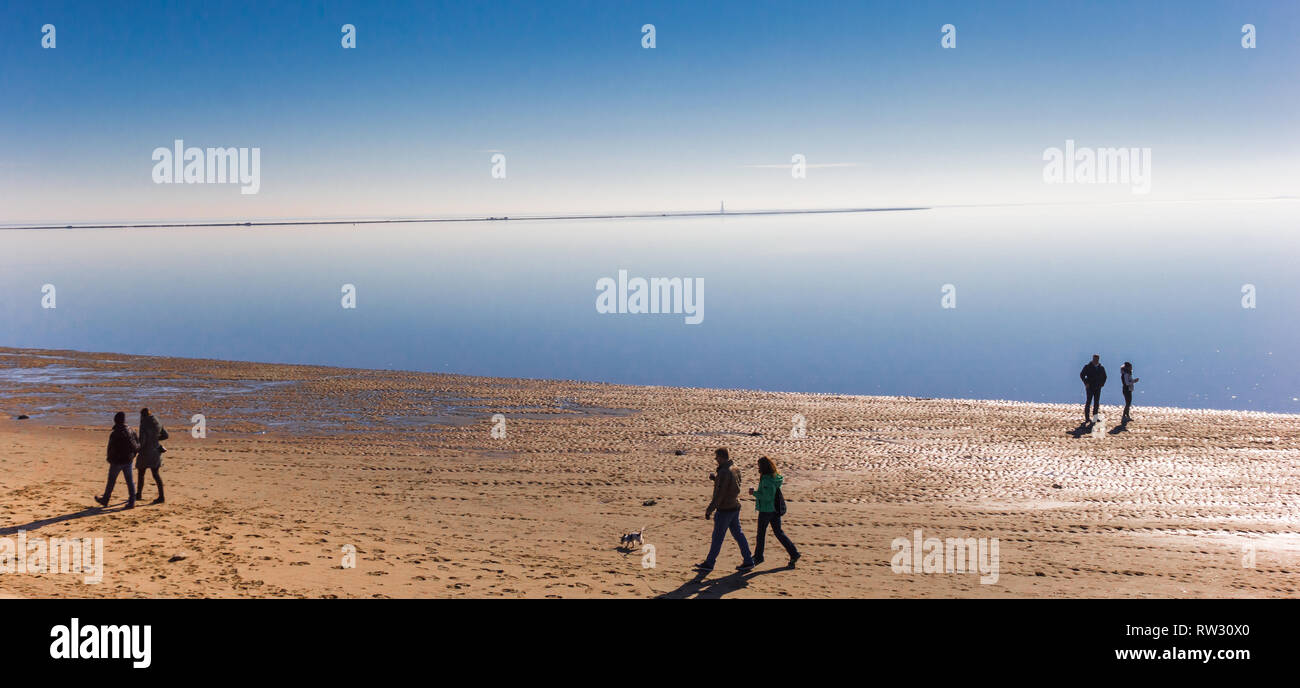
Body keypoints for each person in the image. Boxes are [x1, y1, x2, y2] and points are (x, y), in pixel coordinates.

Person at [694, 448, 755, 573]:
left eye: (717, 458)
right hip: (734, 506)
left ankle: (709, 563)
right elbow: (730, 486)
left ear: (721, 457)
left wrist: (710, 509)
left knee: (718, 537)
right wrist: (715, 480)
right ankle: (748, 560)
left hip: (725, 508)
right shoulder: (735, 467)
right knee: (738, 534)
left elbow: (720, 494)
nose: (716, 460)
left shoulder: (724, 471)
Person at [748, 456, 800, 567]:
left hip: (767, 510)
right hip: (775, 509)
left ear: (763, 467)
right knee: (778, 533)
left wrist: (754, 493)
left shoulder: (767, 479)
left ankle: (758, 556)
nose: (758, 468)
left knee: (761, 534)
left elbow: (767, 497)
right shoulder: (775, 477)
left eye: (759, 466)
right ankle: (794, 553)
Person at [95, 412, 138, 508]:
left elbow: (110, 448)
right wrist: (133, 455)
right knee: (129, 481)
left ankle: (105, 499)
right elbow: (136, 445)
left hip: (117, 461)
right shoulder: (131, 430)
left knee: (111, 481)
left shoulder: (114, 433)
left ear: (115, 421)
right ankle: (132, 502)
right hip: (128, 460)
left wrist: (110, 459)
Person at [135, 407, 167, 505]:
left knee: (141, 473)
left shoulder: (144, 424)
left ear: (142, 415)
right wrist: (155, 439)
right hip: (156, 450)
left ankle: (139, 494)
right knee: (156, 474)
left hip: (146, 452)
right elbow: (165, 435)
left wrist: (137, 449)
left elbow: (142, 441)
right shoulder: (157, 421)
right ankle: (161, 496)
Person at [1079, 354, 1107, 422]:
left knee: (1096, 402)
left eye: (1096, 359)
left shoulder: (1101, 368)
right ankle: (1087, 418)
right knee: (1088, 402)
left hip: (1098, 387)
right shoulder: (1088, 367)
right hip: (1090, 387)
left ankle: (1095, 418)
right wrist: (1086, 383)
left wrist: (1102, 384)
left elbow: (1105, 376)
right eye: (1094, 359)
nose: (1095, 360)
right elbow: (1082, 375)